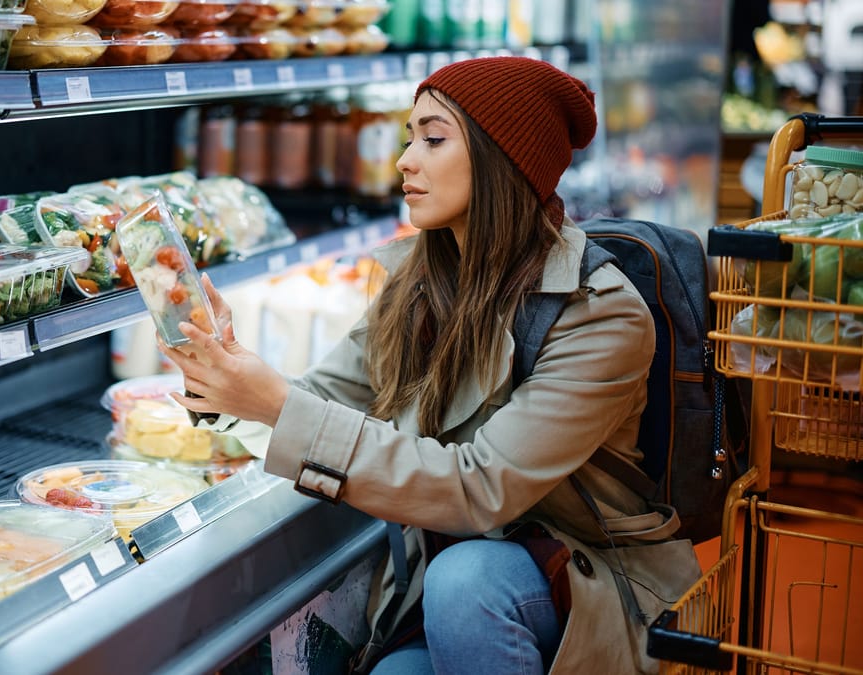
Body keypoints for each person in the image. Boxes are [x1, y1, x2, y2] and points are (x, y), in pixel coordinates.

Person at [160, 57, 702, 674]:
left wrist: (276, 405)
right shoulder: (420, 284)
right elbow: (325, 398)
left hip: (587, 585)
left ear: (504, 160)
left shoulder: (598, 314)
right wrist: (220, 374)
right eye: (408, 138)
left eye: (433, 139)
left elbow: (480, 488)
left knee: (467, 582)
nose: (404, 161)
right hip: (442, 582)